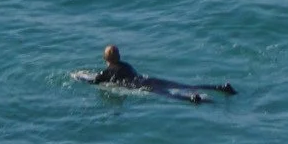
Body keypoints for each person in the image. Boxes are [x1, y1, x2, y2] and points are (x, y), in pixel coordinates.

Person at [92, 45, 237, 104]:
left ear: (105, 59)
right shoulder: (127, 65)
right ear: (119, 55)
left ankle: (193, 98)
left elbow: (95, 80)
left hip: (139, 86)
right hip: (147, 79)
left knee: (168, 94)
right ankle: (220, 87)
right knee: (184, 85)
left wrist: (77, 76)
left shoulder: (108, 71)